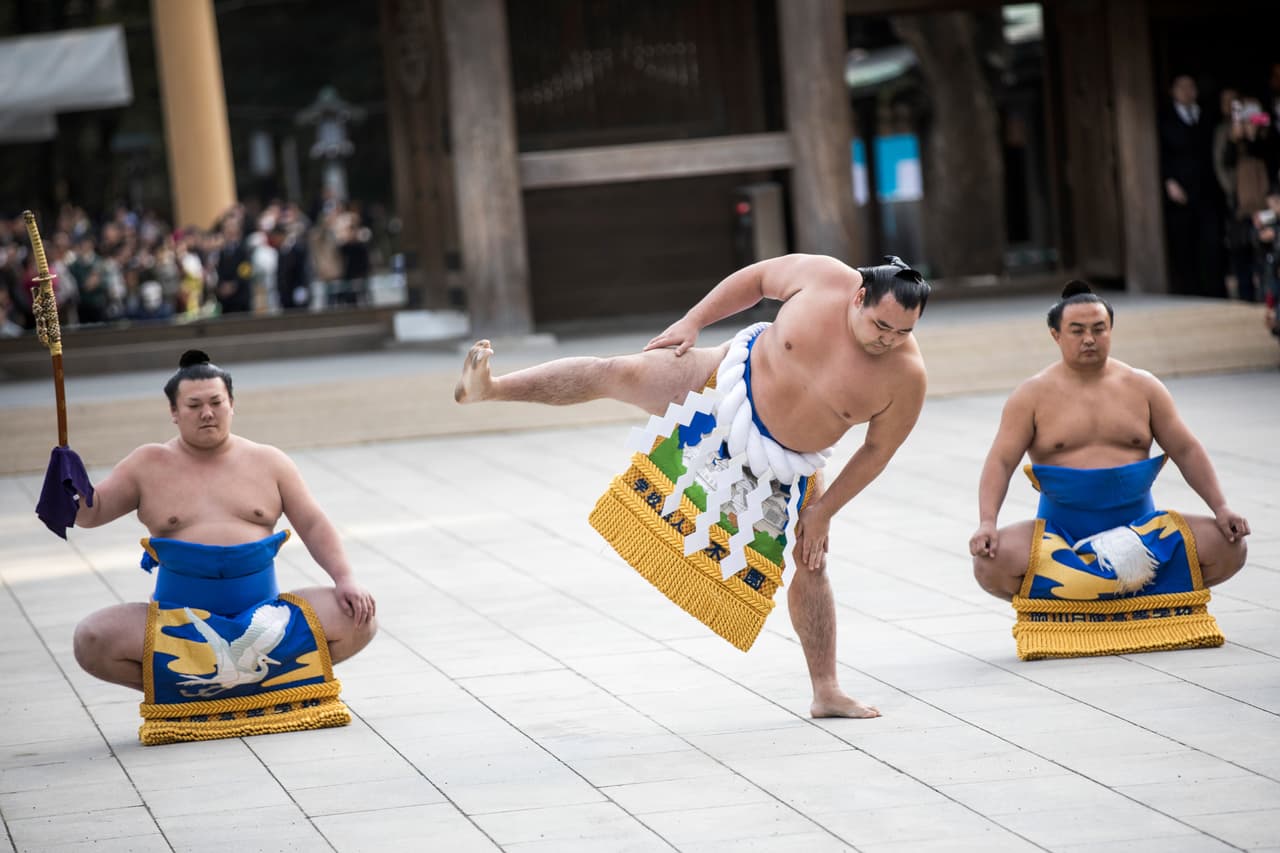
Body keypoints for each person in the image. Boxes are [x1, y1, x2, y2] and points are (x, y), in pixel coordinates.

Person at [455, 253, 930, 718]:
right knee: (617, 372)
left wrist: (823, 513)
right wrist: (692, 321)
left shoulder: (906, 378)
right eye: (880, 326)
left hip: (789, 466)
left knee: (812, 564)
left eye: (902, 332)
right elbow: (759, 279)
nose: (888, 340)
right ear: (859, 297)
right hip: (722, 380)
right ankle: (493, 388)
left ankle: (826, 690)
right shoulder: (823, 277)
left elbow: (876, 452)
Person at [61, 350, 377, 693]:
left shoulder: (268, 461)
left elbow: (313, 524)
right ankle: (182, 688)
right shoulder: (147, 464)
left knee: (360, 618)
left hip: (263, 616)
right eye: (194, 405)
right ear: (174, 412)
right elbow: (90, 513)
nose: (207, 413)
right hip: (178, 624)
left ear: (232, 405)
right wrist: (66, 478)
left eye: (216, 402)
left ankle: (254, 684)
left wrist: (344, 578)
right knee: (91, 639)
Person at [969, 281, 1249, 601]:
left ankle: (1116, 597)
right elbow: (1001, 461)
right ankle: (1096, 597)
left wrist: (1221, 507)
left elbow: (1185, 449)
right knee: (989, 564)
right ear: (1055, 335)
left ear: (1111, 330)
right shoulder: (1031, 395)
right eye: (1077, 330)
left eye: (1099, 329)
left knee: (1229, 546)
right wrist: (987, 522)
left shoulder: (1144, 387)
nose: (1089, 339)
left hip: (1142, 532)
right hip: (1061, 535)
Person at [1159, 74, 1226, 298]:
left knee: (1212, 242)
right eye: (1182, 87)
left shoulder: (1207, 116)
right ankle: (1191, 292)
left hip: (1208, 188)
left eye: (1191, 86)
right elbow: (1161, 154)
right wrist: (1168, 180)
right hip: (1181, 190)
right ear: (1173, 91)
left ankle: (1216, 291)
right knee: (1185, 244)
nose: (1187, 91)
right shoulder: (1164, 119)